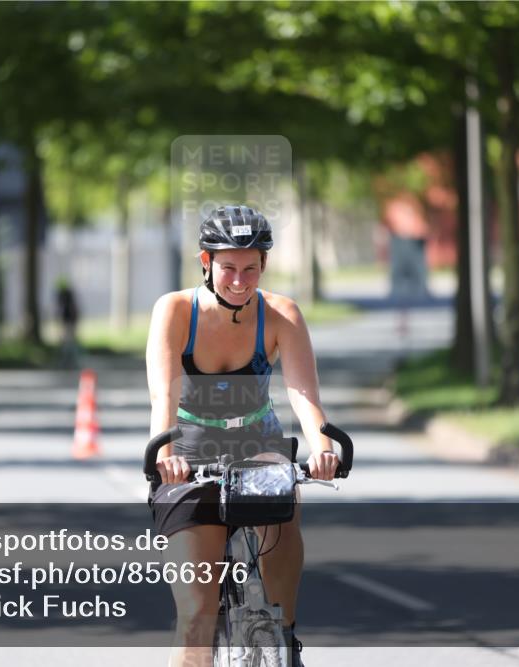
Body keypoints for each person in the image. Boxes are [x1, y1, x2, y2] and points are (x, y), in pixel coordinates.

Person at [146, 205, 339, 667]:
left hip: (258, 444)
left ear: (264, 265)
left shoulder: (280, 314)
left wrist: (323, 446)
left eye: (250, 268)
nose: (239, 280)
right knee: (196, 615)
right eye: (228, 267)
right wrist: (166, 455)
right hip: (190, 449)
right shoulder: (174, 311)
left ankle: (283, 641)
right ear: (205, 262)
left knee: (283, 530)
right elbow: (163, 397)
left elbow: (302, 392)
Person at [56, 278, 80, 368]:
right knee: (68, 342)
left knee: (67, 343)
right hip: (68, 322)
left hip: (68, 322)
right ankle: (68, 361)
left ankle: (68, 361)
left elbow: (62, 312)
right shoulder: (69, 300)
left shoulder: (65, 301)